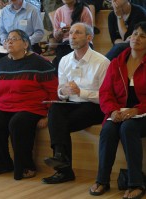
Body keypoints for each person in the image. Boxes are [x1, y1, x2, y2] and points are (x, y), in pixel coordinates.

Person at [0, 29, 58, 180]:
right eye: (7, 39)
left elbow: (54, 91)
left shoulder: (41, 63)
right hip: (4, 106)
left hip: (31, 108)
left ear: (25, 43)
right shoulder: (2, 62)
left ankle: (26, 166)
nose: (9, 41)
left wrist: (49, 114)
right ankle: (2, 164)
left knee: (17, 123)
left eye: (14, 39)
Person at [42, 23, 110, 184]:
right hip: (72, 104)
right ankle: (60, 156)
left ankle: (63, 168)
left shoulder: (102, 62)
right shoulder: (64, 60)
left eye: (77, 33)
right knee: (55, 109)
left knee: (58, 124)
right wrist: (62, 92)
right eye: (71, 32)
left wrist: (81, 92)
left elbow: (106, 97)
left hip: (94, 105)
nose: (72, 36)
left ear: (89, 37)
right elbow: (60, 91)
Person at [89, 21, 146, 199]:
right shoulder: (117, 62)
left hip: (142, 114)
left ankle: (136, 183)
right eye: (135, 34)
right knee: (107, 130)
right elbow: (105, 92)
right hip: (120, 113)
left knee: (128, 128)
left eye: (143, 36)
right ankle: (102, 180)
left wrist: (137, 111)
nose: (136, 38)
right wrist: (113, 111)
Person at [0, 0, 44, 75]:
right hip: (10, 44)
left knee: (24, 57)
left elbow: (39, 32)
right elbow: (2, 31)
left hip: (28, 45)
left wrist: (25, 43)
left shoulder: (33, 10)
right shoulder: (5, 11)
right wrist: (4, 41)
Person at [51, 0, 93, 72]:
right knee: (58, 61)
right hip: (66, 44)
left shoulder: (84, 10)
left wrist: (74, 31)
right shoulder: (59, 11)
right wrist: (60, 32)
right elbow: (56, 36)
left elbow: (89, 34)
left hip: (82, 43)